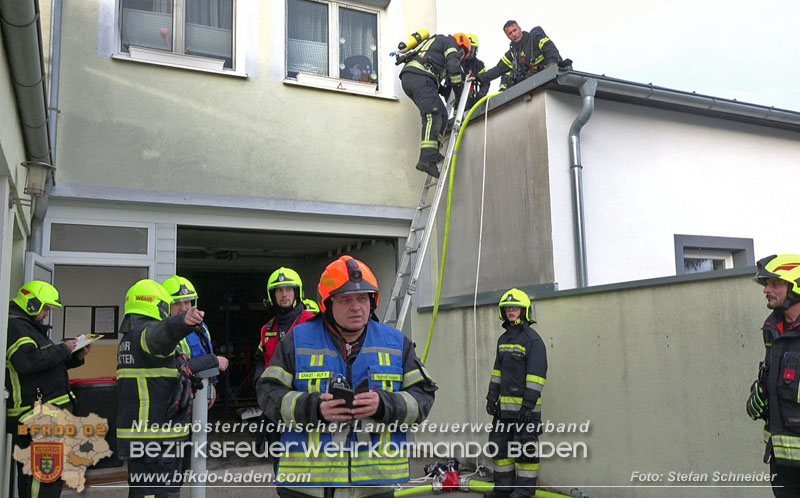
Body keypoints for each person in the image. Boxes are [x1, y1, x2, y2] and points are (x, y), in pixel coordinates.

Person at [256, 255, 437, 497]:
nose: (356, 307)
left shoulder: (396, 343)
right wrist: (313, 408)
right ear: (327, 304)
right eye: (346, 299)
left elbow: (423, 396)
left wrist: (384, 404)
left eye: (363, 298)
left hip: (375, 483)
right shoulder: (296, 341)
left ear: (372, 301)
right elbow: (268, 392)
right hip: (308, 485)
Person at [116, 279, 205, 498]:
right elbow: (161, 336)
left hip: (144, 440)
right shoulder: (146, 335)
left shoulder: (129, 339)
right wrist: (181, 323)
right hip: (156, 442)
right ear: (160, 306)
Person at [6, 281, 92, 498]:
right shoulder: (17, 327)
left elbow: (45, 366)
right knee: (42, 476)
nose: (46, 314)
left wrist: (74, 356)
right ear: (32, 304)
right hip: (35, 416)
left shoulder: (28, 328)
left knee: (47, 476)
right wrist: (63, 349)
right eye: (45, 308)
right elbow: (26, 362)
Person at [486, 289, 547, 498]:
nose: (511, 311)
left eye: (515, 307)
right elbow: (497, 373)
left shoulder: (532, 340)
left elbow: (537, 376)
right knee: (500, 449)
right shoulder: (503, 340)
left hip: (525, 412)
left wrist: (528, 406)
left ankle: (523, 493)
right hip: (504, 411)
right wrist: (491, 397)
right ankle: (503, 491)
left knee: (525, 454)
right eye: (508, 308)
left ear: (524, 311)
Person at [747, 254, 800, 497]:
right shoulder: (773, 330)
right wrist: (763, 393)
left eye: (774, 283)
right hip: (782, 463)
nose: (766, 289)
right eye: (765, 284)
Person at [252, 268, 316, 465]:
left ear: (297, 293)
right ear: (273, 295)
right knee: (281, 469)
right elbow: (260, 361)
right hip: (277, 408)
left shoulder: (313, 322)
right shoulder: (267, 329)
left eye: (289, 289)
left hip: (306, 406)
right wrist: (264, 399)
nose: (284, 294)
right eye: (279, 290)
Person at [400, 32, 471, 178]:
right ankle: (425, 158)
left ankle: (432, 155)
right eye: (462, 52)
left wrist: (446, 92)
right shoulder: (450, 42)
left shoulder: (437, 48)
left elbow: (436, 79)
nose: (461, 56)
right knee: (432, 115)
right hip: (419, 76)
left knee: (443, 115)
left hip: (418, 78)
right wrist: (458, 87)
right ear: (460, 44)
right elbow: (453, 64)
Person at [162, 275, 229, 409]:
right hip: (174, 396)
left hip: (199, 393)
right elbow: (179, 367)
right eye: (177, 303)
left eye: (187, 302)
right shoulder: (163, 332)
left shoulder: (201, 327)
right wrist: (214, 360)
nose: (183, 308)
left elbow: (205, 352)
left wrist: (211, 384)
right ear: (166, 305)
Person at [473, 20, 563, 92]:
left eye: (515, 30)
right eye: (510, 33)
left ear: (520, 28)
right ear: (507, 36)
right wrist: (478, 77)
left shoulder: (534, 38)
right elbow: (498, 70)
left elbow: (550, 50)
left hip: (551, 78)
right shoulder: (512, 54)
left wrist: (551, 66)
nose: (514, 35)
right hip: (532, 86)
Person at [441, 32, 489, 110]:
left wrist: (481, 94)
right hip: (453, 96)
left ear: (475, 50)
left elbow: (486, 80)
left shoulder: (478, 65)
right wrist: (444, 91)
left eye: (471, 49)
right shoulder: (454, 61)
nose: (468, 53)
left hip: (470, 99)